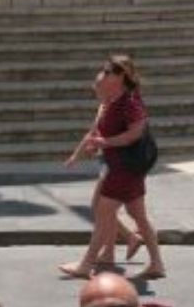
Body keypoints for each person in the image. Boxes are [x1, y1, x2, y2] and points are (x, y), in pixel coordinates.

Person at [59, 54, 166, 283]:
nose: (103, 75)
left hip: (124, 169)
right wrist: (78, 154)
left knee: (103, 212)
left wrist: (105, 143)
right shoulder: (112, 101)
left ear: (120, 76)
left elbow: (134, 134)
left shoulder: (130, 103)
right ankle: (156, 263)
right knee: (137, 215)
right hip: (124, 168)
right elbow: (94, 132)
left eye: (108, 72)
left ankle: (86, 264)